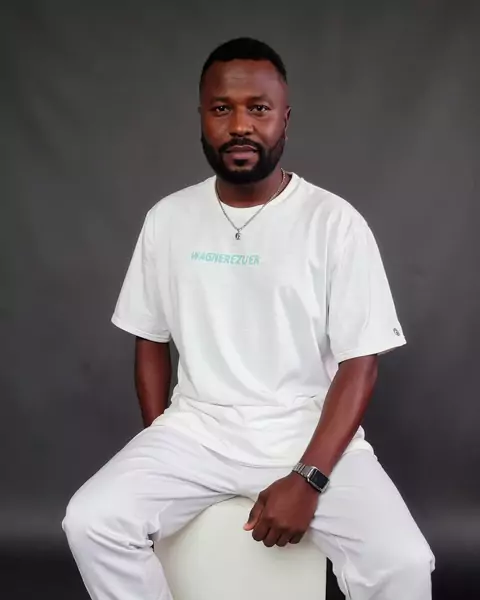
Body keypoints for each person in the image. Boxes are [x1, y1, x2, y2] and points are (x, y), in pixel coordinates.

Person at [62, 37, 435, 600]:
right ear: (201, 117)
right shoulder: (168, 218)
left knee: (402, 563)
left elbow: (361, 363)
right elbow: (149, 339)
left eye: (258, 108)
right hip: (195, 430)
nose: (240, 125)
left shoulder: (334, 222)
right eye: (222, 108)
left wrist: (309, 477)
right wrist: (158, 444)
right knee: (91, 522)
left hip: (304, 432)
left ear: (284, 117)